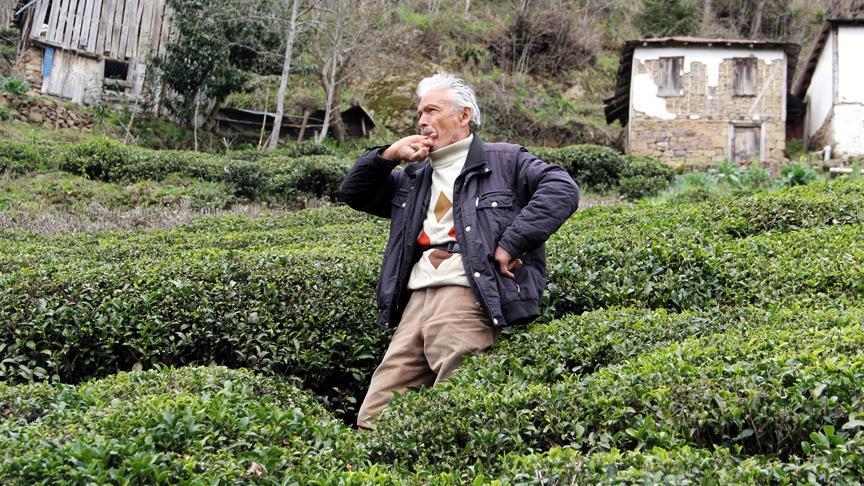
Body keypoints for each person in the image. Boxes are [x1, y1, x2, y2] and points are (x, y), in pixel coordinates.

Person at [339, 73, 579, 430]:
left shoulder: (504, 160)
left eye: (432, 110)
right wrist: (388, 155)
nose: (422, 121)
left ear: (464, 115)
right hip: (415, 301)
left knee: (457, 403)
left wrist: (513, 242)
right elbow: (353, 192)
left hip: (466, 292)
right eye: (419, 113)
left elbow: (561, 188)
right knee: (375, 413)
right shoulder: (414, 175)